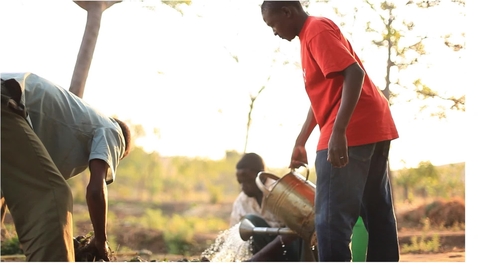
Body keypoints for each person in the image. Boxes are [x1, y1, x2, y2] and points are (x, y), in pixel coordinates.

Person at [260, 1, 400, 262]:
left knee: (329, 221)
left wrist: (339, 131)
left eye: (273, 24)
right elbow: (323, 98)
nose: (275, 32)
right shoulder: (310, 36)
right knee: (377, 215)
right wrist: (301, 140)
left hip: (353, 129)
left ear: (287, 12)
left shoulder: (316, 30)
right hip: (372, 125)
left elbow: (354, 73)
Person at [1, 72, 132, 261]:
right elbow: (96, 190)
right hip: (7, 100)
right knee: (53, 196)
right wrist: (101, 240)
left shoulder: (70, 128)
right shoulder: (113, 130)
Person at [230, 153, 303, 262]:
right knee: (244, 226)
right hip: (260, 255)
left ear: (262, 175)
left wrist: (256, 259)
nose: (243, 187)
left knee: (250, 220)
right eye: (241, 182)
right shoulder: (241, 202)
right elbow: (234, 238)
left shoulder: (281, 193)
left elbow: (293, 233)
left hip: (290, 253)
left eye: (248, 181)